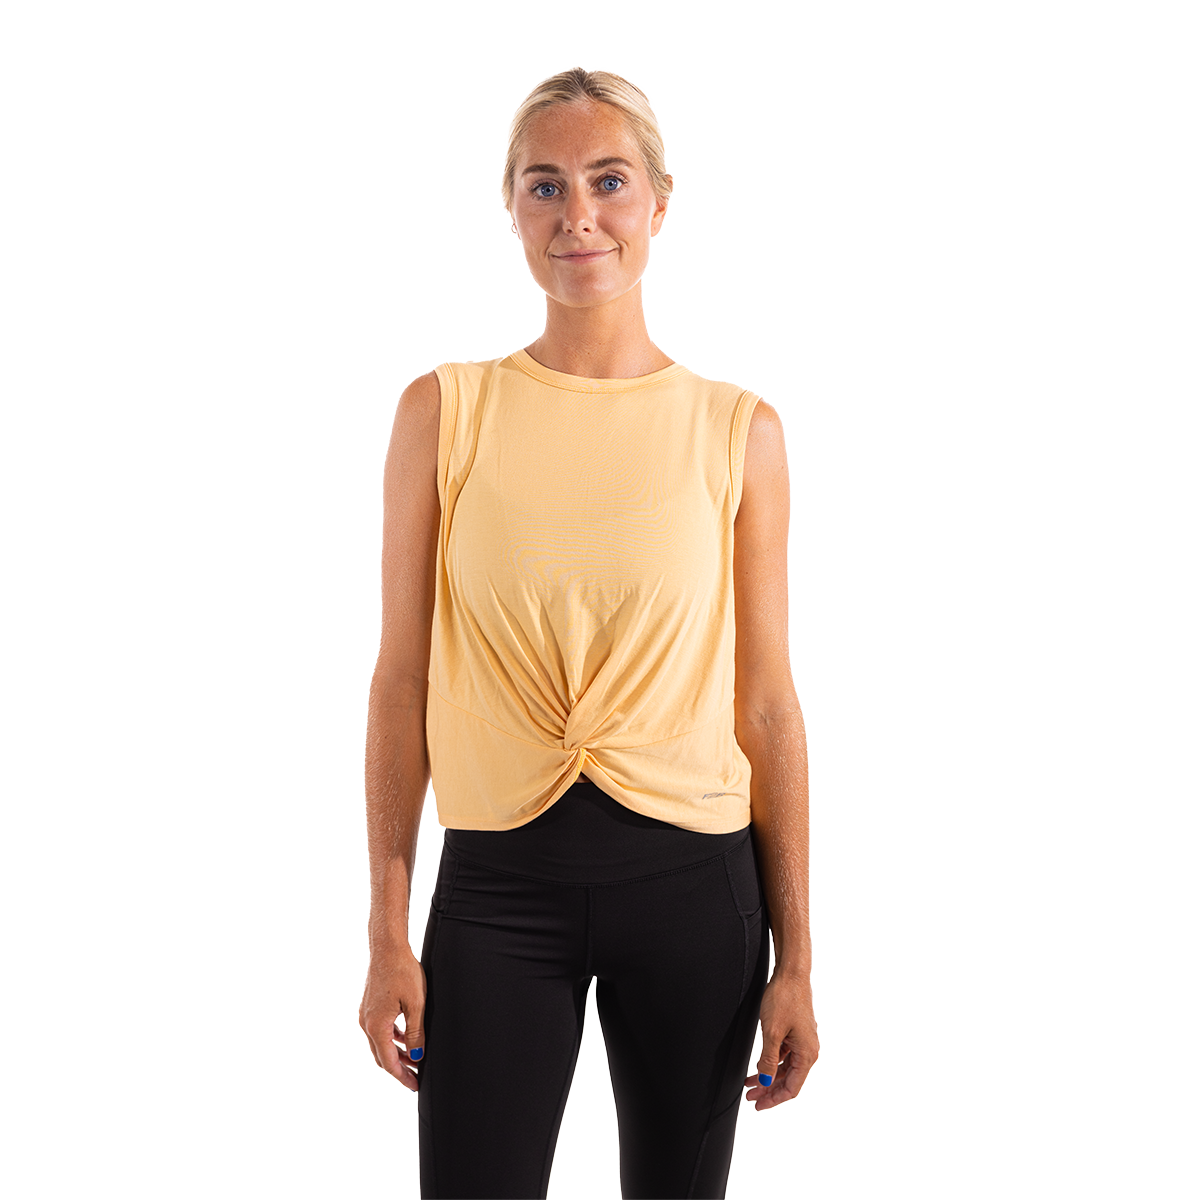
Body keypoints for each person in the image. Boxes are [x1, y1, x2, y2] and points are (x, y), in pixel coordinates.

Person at [359, 66, 818, 1199]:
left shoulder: (738, 430)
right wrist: (385, 931)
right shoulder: (443, 411)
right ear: (511, 207)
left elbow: (766, 701)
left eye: (609, 182)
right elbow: (401, 678)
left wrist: (800, 959)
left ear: (660, 201)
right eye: (545, 185)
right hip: (497, 894)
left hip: (697, 892)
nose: (579, 215)